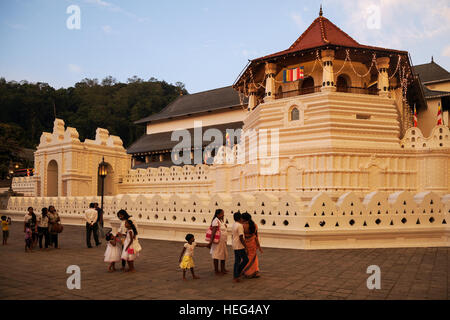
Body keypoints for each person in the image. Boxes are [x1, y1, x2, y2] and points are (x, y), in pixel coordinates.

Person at [241, 212, 263, 278]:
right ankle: (255, 271)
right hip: (253, 242)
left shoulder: (242, 226)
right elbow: (256, 235)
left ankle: (247, 272)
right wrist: (258, 246)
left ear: (244, 219)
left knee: (246, 257)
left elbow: (241, 236)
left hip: (245, 243)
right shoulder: (254, 225)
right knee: (253, 257)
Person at [208, 209, 229, 275]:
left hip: (223, 241)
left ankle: (223, 269)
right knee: (216, 255)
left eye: (223, 213)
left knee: (223, 254)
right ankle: (216, 270)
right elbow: (213, 232)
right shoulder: (215, 221)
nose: (223, 215)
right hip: (217, 242)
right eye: (222, 213)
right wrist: (210, 242)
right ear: (218, 214)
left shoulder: (221, 220)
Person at [232, 212, 249, 283]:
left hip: (235, 244)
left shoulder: (234, 224)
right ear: (240, 218)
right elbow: (241, 237)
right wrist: (246, 246)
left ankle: (237, 273)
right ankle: (237, 273)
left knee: (238, 260)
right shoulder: (239, 226)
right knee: (245, 260)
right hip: (239, 245)